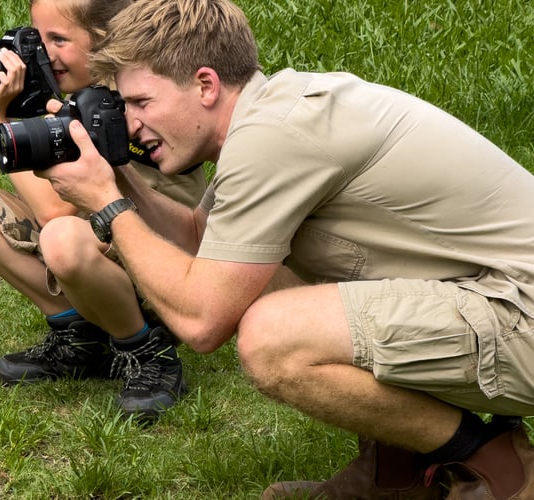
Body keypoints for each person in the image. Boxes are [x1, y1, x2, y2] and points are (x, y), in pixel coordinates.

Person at [34, 0, 534, 497]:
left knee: (273, 336)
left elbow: (203, 322)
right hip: (493, 294)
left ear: (205, 85)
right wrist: (118, 176)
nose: (133, 124)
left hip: (521, 312)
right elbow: (199, 237)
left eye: (142, 103)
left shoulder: (274, 137)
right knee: (255, 274)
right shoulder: (272, 112)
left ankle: (498, 464)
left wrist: (106, 205)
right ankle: (394, 477)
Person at [0, 0, 207, 420]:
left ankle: (148, 352)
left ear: (106, 42)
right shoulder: (84, 97)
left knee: (62, 237)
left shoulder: (124, 107)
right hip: (103, 247)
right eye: (37, 36)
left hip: (164, 267)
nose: (43, 53)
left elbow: (55, 211)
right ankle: (81, 339)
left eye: (59, 40)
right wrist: (29, 97)